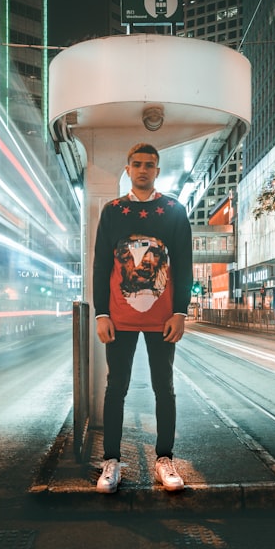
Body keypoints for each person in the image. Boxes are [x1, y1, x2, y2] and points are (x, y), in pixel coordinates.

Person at [93, 143, 193, 494]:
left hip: (162, 318)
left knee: (164, 387)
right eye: (136, 164)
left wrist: (180, 311)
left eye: (149, 165)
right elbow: (101, 265)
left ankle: (164, 459)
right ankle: (111, 460)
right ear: (128, 169)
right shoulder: (113, 211)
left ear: (157, 170)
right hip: (119, 318)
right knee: (115, 388)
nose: (143, 170)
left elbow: (184, 264)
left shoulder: (173, 211)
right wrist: (101, 313)